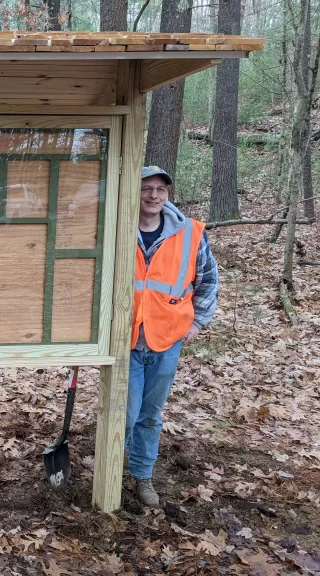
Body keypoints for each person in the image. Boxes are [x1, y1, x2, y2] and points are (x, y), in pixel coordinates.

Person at [126, 166, 219, 508]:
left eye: (160, 190)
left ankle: (142, 475)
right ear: (134, 193)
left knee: (150, 413)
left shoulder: (190, 233)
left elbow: (208, 280)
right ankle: (109, 472)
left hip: (166, 341)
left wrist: (197, 323)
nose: (153, 196)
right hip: (125, 340)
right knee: (124, 412)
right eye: (146, 188)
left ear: (167, 195)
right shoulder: (117, 229)